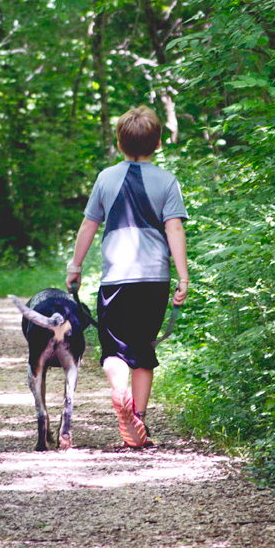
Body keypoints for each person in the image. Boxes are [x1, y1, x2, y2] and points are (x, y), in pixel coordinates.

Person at [66, 105, 189, 448]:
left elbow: (89, 224)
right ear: (159, 143)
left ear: (119, 144)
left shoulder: (106, 178)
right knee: (144, 350)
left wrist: (74, 267)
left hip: (117, 278)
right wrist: (183, 277)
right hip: (155, 280)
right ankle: (139, 423)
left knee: (114, 351)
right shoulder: (167, 181)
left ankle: (120, 395)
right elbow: (174, 227)